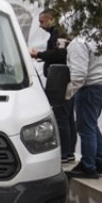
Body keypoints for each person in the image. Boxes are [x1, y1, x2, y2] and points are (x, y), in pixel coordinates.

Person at [64, 36, 102, 179]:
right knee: (91, 125)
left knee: (85, 128)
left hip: (91, 87)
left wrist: (67, 94)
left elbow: (79, 74)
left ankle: (88, 167)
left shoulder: (77, 43)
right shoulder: (94, 40)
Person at [30, 10, 76, 162]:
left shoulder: (59, 34)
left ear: (51, 19)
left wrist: (40, 55)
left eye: (42, 22)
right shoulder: (57, 33)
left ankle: (64, 153)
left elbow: (60, 54)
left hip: (60, 79)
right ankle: (69, 152)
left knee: (62, 115)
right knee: (67, 116)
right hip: (62, 77)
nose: (40, 26)